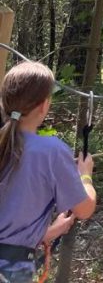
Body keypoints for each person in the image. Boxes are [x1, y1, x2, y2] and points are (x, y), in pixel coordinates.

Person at [0, 62, 97, 283]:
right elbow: (84, 209)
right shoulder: (51, 151)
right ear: (44, 105)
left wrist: (49, 232)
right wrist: (85, 175)